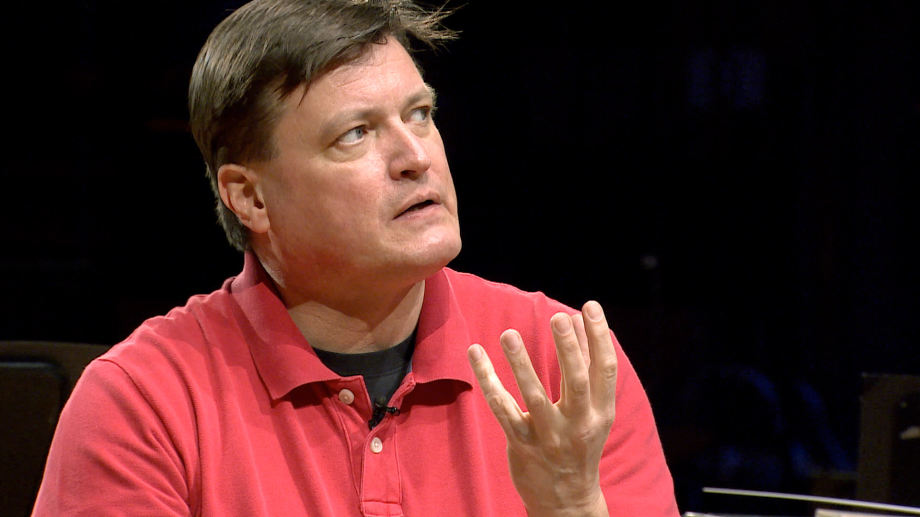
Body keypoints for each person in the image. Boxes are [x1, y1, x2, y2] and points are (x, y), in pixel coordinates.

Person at [33, 1, 679, 515]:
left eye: (420, 114)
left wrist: (570, 507)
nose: (415, 156)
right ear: (250, 197)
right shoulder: (143, 402)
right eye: (356, 133)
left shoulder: (562, 362)